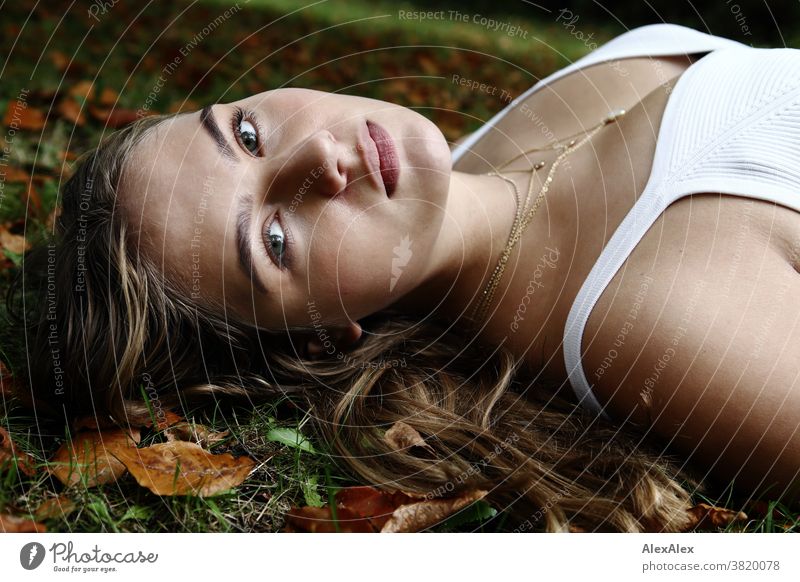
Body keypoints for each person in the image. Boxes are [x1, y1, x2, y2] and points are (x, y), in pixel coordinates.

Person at [8, 22, 799, 532]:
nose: (315, 159)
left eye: (246, 133)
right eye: (274, 241)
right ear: (320, 336)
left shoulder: (488, 151)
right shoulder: (661, 323)